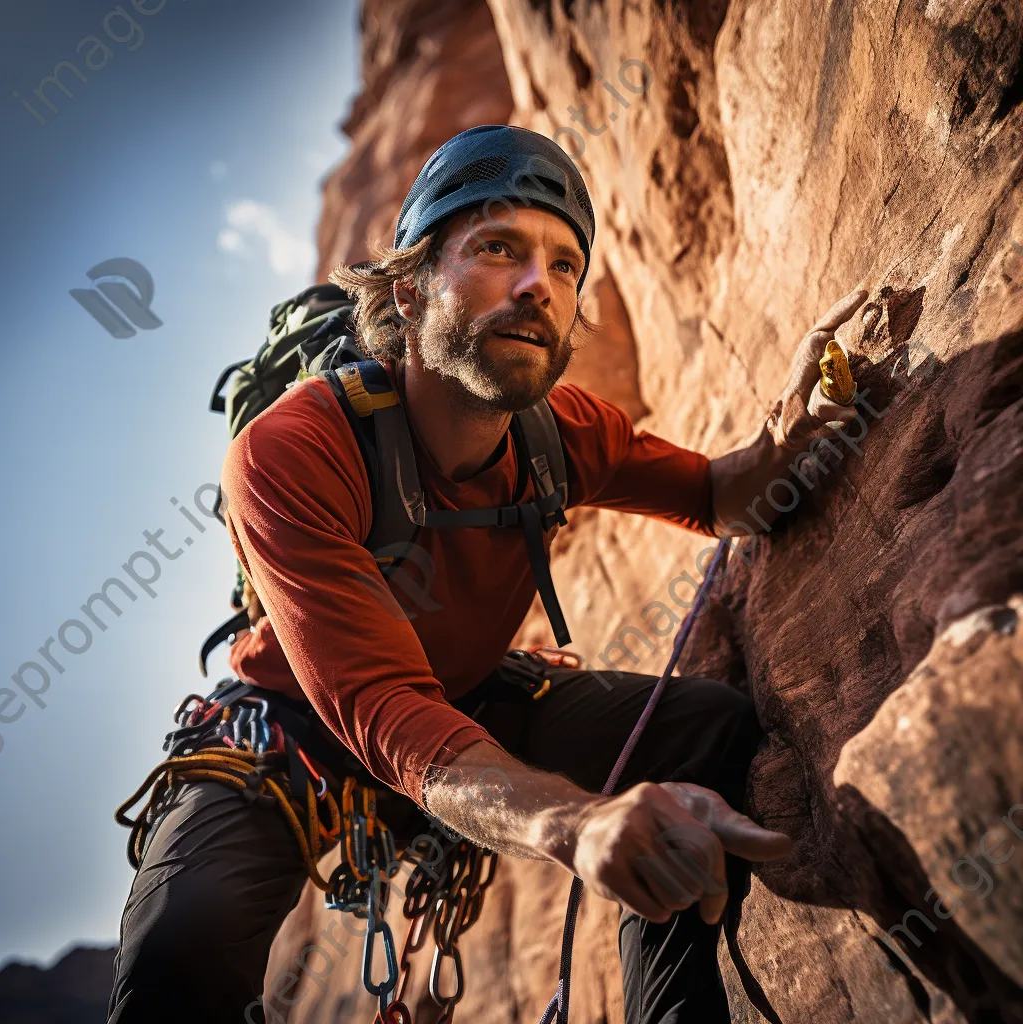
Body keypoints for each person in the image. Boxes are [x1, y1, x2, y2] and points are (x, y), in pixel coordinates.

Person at [108, 125, 867, 1023]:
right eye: (497, 247)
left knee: (704, 728)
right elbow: (386, 710)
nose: (535, 284)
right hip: (289, 733)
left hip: (460, 698)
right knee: (179, 945)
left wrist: (793, 439)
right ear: (408, 284)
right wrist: (577, 824)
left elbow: (717, 494)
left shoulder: (560, 435)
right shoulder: (293, 450)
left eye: (563, 264)